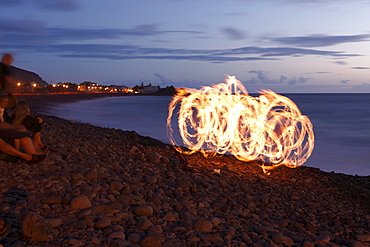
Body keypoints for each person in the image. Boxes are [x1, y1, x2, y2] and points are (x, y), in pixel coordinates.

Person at [0, 94, 46, 164]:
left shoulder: (4, 112)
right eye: (5, 101)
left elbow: (5, 122)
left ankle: (34, 154)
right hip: (4, 134)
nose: (7, 104)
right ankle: (27, 156)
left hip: (6, 132)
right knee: (24, 132)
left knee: (24, 136)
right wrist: (14, 127)